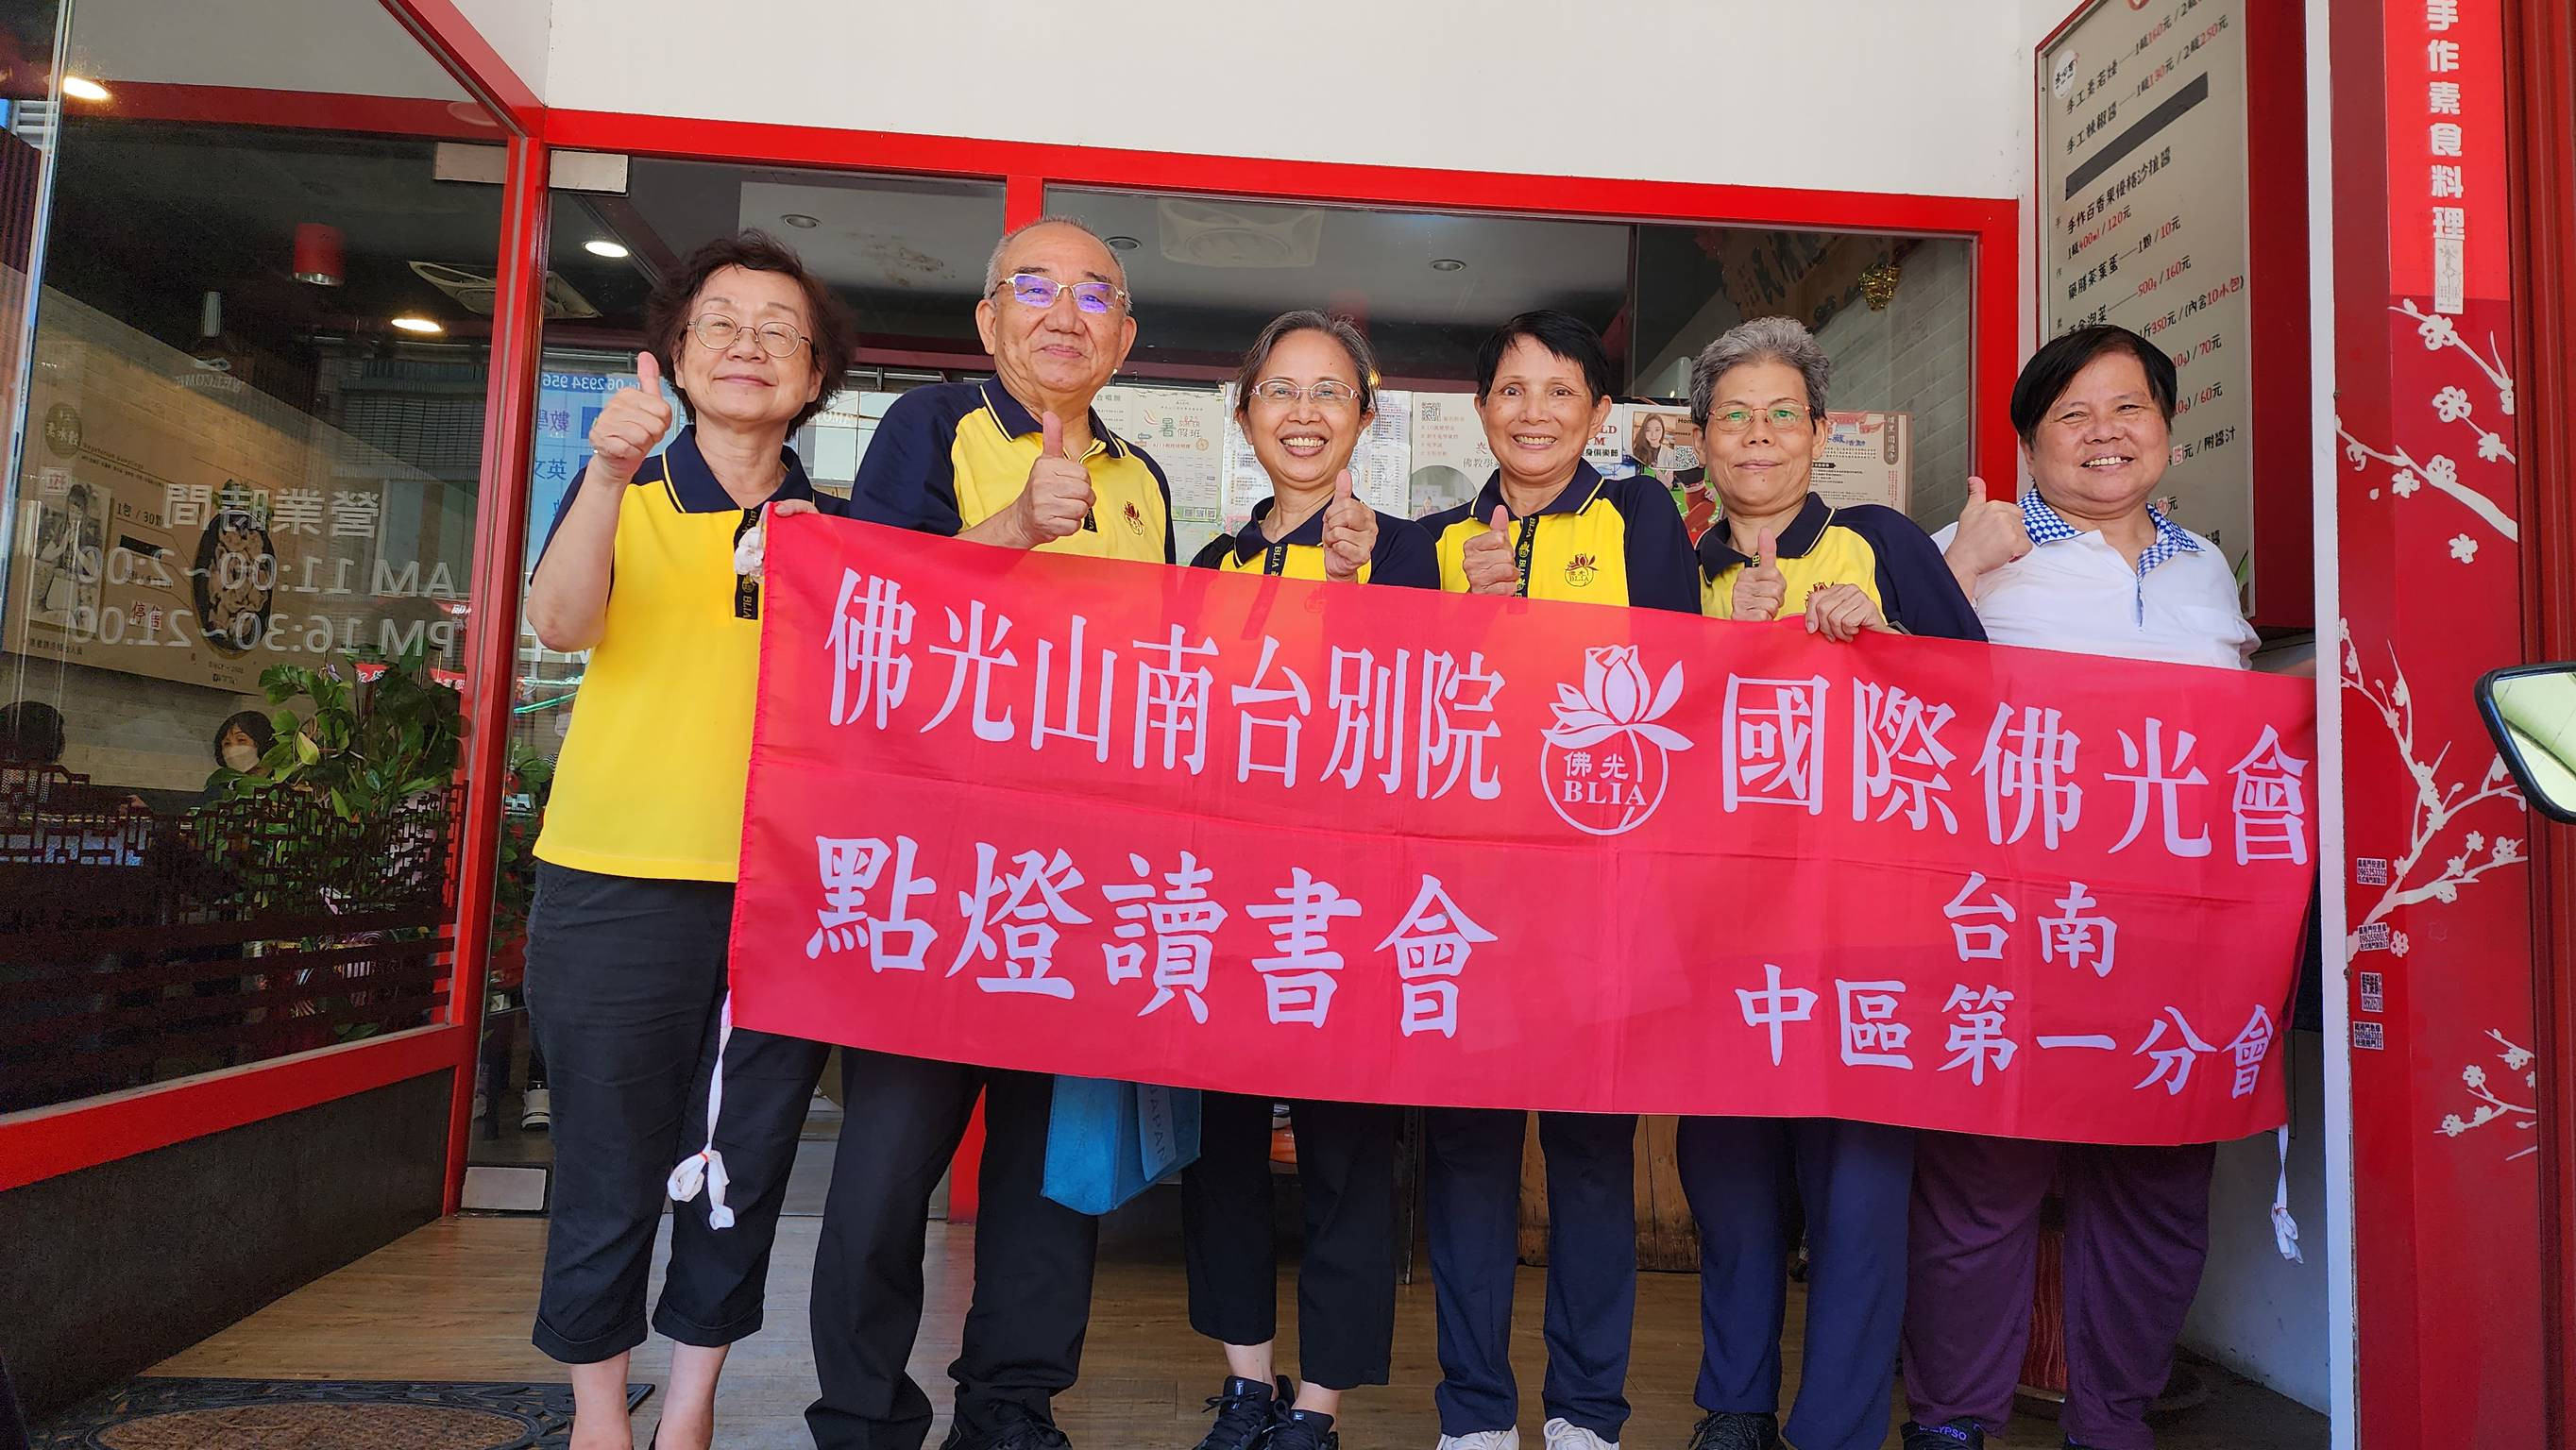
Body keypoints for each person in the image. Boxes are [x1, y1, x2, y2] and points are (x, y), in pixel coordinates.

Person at [822, 214, 1173, 1450]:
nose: (1065, 314)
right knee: (883, 1168)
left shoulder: (1143, 479)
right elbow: (870, 612)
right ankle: (862, 1417)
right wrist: (1018, 526)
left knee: (1049, 1173)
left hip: (1081, 883)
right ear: (987, 318)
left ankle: (1012, 1409)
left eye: (1095, 295)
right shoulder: (930, 429)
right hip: (933, 878)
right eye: (1035, 286)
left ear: (1124, 336)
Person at [518, 229, 853, 1450]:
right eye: (720, 323)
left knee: (745, 1163)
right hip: (612, 882)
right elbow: (560, 624)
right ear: (675, 351)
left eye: (777, 330)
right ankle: (600, 1418)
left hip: (784, 897)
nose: (747, 346)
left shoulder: (841, 529)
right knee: (605, 1165)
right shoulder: (624, 487)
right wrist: (608, 473)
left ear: (814, 377)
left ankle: (693, 1410)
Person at [1900, 324, 2257, 1450]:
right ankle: (1952, 1423)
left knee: (2156, 1188)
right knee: (1982, 1183)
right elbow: (1882, 707)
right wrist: (1957, 570)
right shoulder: (1967, 545)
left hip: (2174, 939)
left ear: (2167, 428)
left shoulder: (2203, 566)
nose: (2104, 435)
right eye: (2072, 415)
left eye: (2128, 408)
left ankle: (2112, 1422)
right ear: (2027, 443)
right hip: (2010, 927)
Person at [1682, 315, 1983, 1450]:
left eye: (1781, 415)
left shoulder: (1879, 543)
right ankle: (1734, 1409)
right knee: (1728, 1185)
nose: (1757, 437)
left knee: (1859, 1195)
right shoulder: (1673, 569)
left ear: (1818, 433)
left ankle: (1838, 1429)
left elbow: (1982, 707)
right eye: (1733, 417)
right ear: (1699, 440)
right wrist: (1721, 644)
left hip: (1871, 937)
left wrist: (1889, 634)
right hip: (1720, 932)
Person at [1415, 310, 1698, 1450]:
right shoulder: (1432, 542)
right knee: (1468, 1159)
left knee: (1588, 1158)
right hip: (1467, 897)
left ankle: (1586, 1411)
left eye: (1560, 391)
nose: (1534, 413)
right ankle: (1474, 1413)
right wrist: (1469, 621)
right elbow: (1398, 717)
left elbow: (1682, 676)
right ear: (1481, 409)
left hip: (1601, 892)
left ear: (1599, 413)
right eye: (1512, 391)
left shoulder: (1640, 517)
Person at [1180, 311, 1434, 1450]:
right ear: (1245, 416)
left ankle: (1317, 1406)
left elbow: (1442, 713)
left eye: (1329, 392)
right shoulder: (1209, 566)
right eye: (1280, 390)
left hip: (1353, 905)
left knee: (1346, 1157)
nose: (1303, 413)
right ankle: (1246, 1383)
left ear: (1364, 418)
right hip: (1224, 902)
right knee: (1223, 1150)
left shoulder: (1410, 553)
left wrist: (1361, 585)